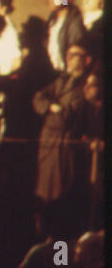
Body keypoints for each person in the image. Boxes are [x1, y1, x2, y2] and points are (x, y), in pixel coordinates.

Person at [33, 44, 92, 207]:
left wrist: (52, 111)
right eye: (68, 55)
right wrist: (51, 107)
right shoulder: (62, 79)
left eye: (75, 55)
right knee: (44, 188)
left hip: (63, 141)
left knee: (59, 189)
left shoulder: (84, 85)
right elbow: (38, 97)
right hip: (48, 140)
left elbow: (66, 118)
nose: (69, 59)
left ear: (86, 59)